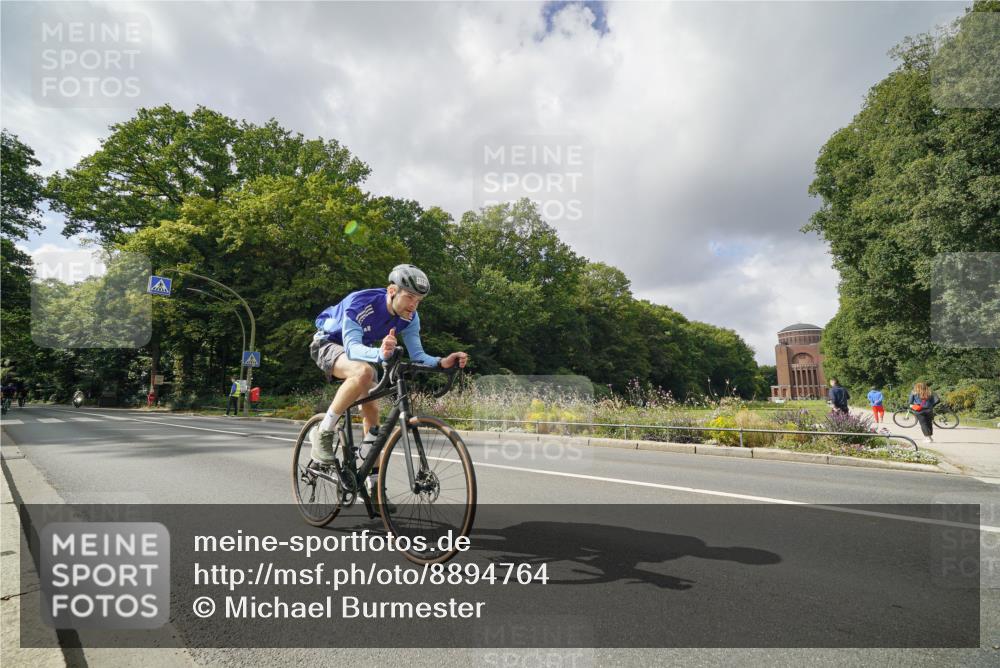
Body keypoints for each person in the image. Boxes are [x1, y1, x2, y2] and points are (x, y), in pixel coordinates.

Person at [308, 264, 468, 504]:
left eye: (419, 300)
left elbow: (418, 355)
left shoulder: (410, 318)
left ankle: (372, 486)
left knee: (374, 411)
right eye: (410, 297)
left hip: (363, 351)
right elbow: (352, 347)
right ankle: (323, 431)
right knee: (363, 371)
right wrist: (381, 353)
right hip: (328, 344)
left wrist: (442, 362)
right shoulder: (361, 303)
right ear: (392, 290)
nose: (413, 305)